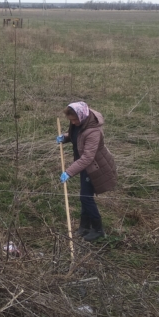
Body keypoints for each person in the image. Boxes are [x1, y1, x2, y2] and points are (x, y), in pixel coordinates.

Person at [56, 101, 118, 242]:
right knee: (85, 195)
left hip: (95, 167)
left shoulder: (94, 131)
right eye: (70, 120)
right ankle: (84, 226)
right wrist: (65, 137)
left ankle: (98, 229)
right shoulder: (79, 123)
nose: (72, 122)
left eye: (74, 119)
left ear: (82, 116)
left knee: (86, 197)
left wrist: (69, 172)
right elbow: (76, 136)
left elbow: (88, 158)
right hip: (84, 166)